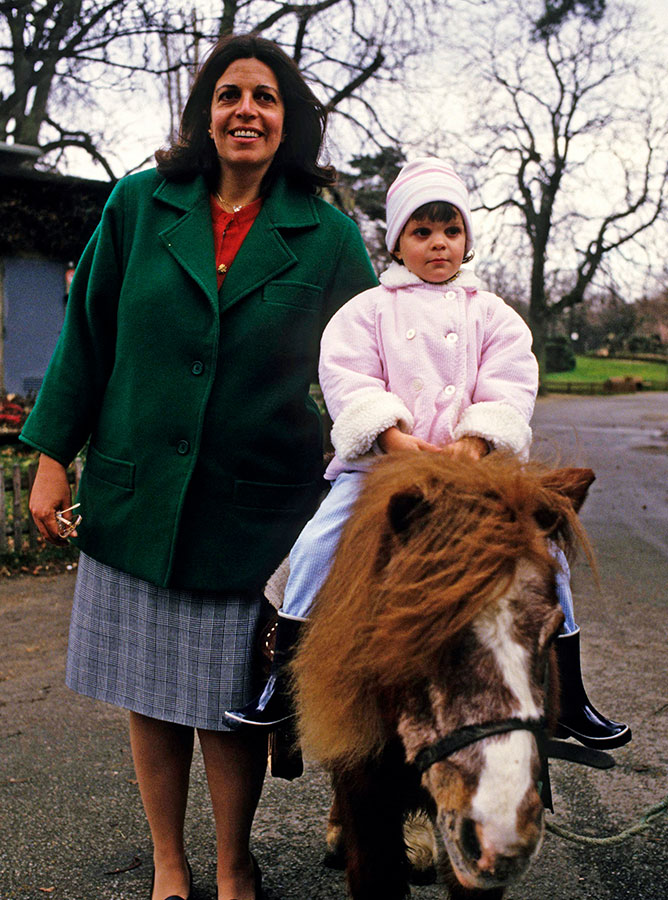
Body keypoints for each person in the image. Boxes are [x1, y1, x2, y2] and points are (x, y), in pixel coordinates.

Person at [21, 34, 377, 900]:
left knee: (226, 702)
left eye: (264, 97)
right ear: (204, 112)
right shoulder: (141, 204)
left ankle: (232, 864)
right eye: (228, 95)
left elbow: (372, 356)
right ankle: (169, 865)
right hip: (138, 491)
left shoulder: (326, 235)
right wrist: (49, 457)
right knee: (149, 691)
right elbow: (88, 336)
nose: (244, 110)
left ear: (287, 122)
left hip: (254, 509)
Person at [224, 157, 631, 755]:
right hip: (384, 468)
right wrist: (387, 434)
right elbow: (347, 378)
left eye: (450, 230)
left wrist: (477, 437)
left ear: (466, 238)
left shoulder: (492, 314)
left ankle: (569, 691)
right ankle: (283, 682)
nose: (438, 243)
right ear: (397, 242)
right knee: (314, 547)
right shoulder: (367, 311)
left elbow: (511, 381)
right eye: (421, 231)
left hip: (475, 473)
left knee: (548, 554)